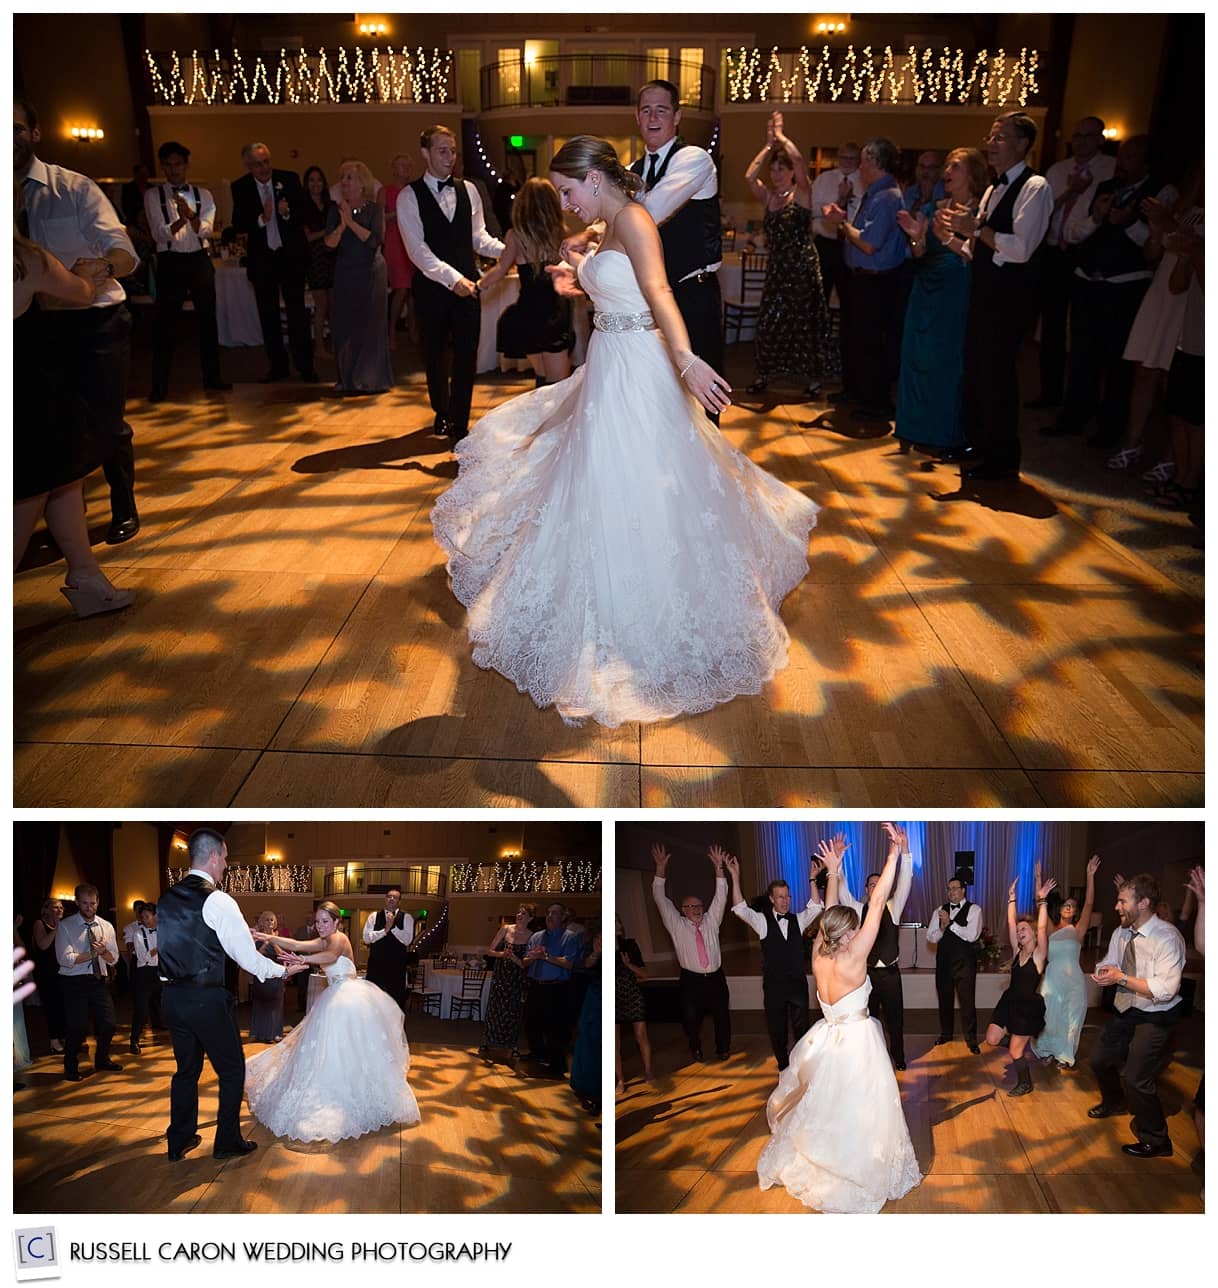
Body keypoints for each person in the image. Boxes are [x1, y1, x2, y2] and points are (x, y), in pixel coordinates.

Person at [431, 135, 817, 727]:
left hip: (637, 364)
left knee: (641, 480)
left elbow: (659, 292)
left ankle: (648, 611)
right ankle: (599, 607)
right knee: (593, 479)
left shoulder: (634, 219)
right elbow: (620, 285)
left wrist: (685, 359)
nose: (566, 203)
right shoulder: (609, 224)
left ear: (594, 178)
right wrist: (580, 275)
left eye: (568, 191)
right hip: (608, 360)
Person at [757, 827, 921, 1213]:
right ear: (847, 934)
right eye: (854, 927)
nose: (859, 929)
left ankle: (827, 1153)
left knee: (830, 1104)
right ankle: (858, 1161)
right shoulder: (854, 956)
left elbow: (830, 911)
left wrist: (833, 871)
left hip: (828, 1039)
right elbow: (878, 902)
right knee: (866, 1106)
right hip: (858, 1041)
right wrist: (894, 853)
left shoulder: (818, 953)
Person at [16, 95, 141, 545]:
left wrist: (100, 267)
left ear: (35, 133)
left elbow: (125, 253)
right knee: (50, 428)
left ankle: (123, 504)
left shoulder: (73, 188)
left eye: (16, 129)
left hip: (94, 321)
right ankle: (65, 531)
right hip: (30, 327)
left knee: (105, 420)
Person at [13, 199, 133, 616]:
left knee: (63, 478)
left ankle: (85, 575)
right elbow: (81, 294)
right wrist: (89, 273)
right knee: (29, 491)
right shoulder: (25, 260)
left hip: (32, 393)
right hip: (26, 395)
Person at [158, 828, 305, 1161]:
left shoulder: (167, 898)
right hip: (204, 999)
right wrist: (283, 972)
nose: (226, 864)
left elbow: (182, 944)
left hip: (172, 999)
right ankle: (226, 1142)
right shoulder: (218, 899)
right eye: (224, 858)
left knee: (186, 1071)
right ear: (213, 857)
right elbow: (248, 960)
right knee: (232, 1070)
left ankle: (179, 1140)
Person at [247, 900, 421, 1141]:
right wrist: (267, 936)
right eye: (318, 921)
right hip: (334, 997)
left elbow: (330, 955)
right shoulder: (324, 939)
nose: (320, 926)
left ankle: (356, 1101)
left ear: (337, 922)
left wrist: (303, 960)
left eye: (325, 921)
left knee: (351, 1052)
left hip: (349, 999)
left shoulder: (339, 939)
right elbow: (296, 943)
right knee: (327, 1052)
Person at [940, 111, 1053, 481]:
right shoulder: (992, 188)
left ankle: (1001, 459)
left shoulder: (1036, 188)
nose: (990, 144)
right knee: (976, 370)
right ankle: (976, 443)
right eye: (990, 136)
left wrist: (975, 227)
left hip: (1009, 297)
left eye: (1000, 137)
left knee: (999, 375)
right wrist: (951, 238)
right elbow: (979, 248)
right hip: (982, 291)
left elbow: (1020, 249)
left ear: (1023, 144)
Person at [1041, 135, 1158, 447]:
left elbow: (1156, 247)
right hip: (1086, 282)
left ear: (1146, 163)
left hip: (1125, 287)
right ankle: (1072, 417)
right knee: (1081, 355)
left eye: (1130, 157)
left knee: (1117, 362)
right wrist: (1096, 217)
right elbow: (1073, 232)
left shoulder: (1160, 193)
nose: (1122, 163)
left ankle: (1109, 429)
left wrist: (1128, 224)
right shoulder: (1104, 187)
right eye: (1122, 156)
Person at [399, 125, 505, 441]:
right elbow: (417, 250)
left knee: (466, 355)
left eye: (453, 151)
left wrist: (508, 251)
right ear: (425, 153)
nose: (450, 157)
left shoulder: (469, 189)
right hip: (431, 289)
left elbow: (478, 237)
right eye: (442, 150)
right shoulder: (409, 196)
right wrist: (452, 278)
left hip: (468, 288)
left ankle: (459, 421)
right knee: (434, 355)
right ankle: (442, 412)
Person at [628, 79, 725, 422]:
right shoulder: (632, 172)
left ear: (677, 116)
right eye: (646, 110)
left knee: (701, 402)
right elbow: (616, 221)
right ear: (637, 117)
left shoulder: (694, 159)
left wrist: (607, 223)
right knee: (657, 398)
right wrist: (591, 234)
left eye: (662, 110)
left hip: (693, 294)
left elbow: (651, 211)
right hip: (649, 299)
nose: (653, 117)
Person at [893, 147, 988, 458]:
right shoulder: (933, 207)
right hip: (925, 286)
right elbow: (920, 252)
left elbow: (976, 254)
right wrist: (916, 236)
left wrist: (950, 237)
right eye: (947, 166)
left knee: (945, 360)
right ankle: (914, 427)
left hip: (955, 289)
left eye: (955, 166)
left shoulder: (978, 213)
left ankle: (944, 432)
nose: (947, 171)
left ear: (972, 173)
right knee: (915, 355)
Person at [1087, 873, 1186, 1157]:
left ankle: (1157, 1139)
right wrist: (1104, 971)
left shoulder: (1167, 937)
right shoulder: (1122, 933)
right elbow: (1111, 961)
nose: (1116, 906)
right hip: (1126, 1008)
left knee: (1135, 1077)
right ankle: (1115, 1102)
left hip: (1155, 1015)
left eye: (1122, 901)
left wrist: (1121, 978)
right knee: (1099, 1061)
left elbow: (1165, 989)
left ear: (1143, 903)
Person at [742, 111, 836, 400]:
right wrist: (768, 146)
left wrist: (782, 138)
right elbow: (749, 176)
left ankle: (814, 379)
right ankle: (764, 374)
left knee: (804, 324)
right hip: (778, 270)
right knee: (769, 323)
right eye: (774, 170)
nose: (777, 174)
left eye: (782, 169)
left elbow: (799, 159)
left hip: (803, 269)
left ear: (792, 172)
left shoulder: (803, 194)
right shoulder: (770, 197)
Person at [1032, 116, 1116, 410]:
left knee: (1084, 330)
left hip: (1089, 252)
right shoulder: (1058, 170)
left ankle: (1082, 400)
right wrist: (1072, 192)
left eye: (1088, 136)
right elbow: (1042, 211)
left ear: (1100, 140)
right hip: (1055, 252)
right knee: (1052, 326)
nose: (1081, 142)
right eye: (1077, 136)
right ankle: (1050, 393)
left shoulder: (1110, 169)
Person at [822, 137, 907, 422]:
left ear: (874, 162)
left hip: (876, 282)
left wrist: (841, 223)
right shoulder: (875, 194)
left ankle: (876, 403)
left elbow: (869, 244)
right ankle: (857, 392)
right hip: (861, 279)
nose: (859, 167)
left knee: (871, 344)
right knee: (856, 339)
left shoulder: (887, 197)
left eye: (863, 161)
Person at [143, 140, 228, 402]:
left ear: (186, 165)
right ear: (163, 167)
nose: (174, 170)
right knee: (166, 324)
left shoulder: (204, 195)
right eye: (168, 165)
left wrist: (190, 216)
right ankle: (159, 386)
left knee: (207, 321)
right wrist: (179, 219)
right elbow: (158, 234)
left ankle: (213, 378)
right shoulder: (153, 196)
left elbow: (206, 230)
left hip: (199, 259)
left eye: (178, 164)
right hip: (170, 261)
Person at [727, 847, 825, 1071]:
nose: (785, 900)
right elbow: (740, 909)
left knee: (802, 1029)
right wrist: (735, 877)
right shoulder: (762, 921)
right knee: (777, 1029)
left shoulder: (798, 919)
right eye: (780, 897)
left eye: (787, 896)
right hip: (774, 987)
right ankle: (783, 1066)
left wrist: (812, 879)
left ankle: (801, 1066)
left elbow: (816, 906)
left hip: (797, 984)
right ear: (772, 899)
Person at [230, 141, 316, 384]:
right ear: (248, 166)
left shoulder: (289, 179)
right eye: (258, 164)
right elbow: (239, 223)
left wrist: (286, 213)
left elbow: (305, 214)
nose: (264, 168)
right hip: (263, 260)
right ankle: (278, 366)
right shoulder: (241, 187)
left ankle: (305, 367)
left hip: (290, 257)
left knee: (297, 314)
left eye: (266, 161)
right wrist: (262, 218)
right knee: (268, 316)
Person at [476, 177, 573, 387]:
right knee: (557, 385)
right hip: (554, 313)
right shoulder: (560, 234)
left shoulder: (515, 236)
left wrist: (477, 286)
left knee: (543, 378)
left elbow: (500, 270)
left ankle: (540, 409)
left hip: (528, 313)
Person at [834, 824, 915, 1070]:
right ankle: (872, 1063)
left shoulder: (893, 907)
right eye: (871, 884)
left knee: (895, 1021)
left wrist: (905, 849)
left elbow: (906, 879)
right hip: (866, 975)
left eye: (880, 883)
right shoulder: (858, 910)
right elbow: (842, 891)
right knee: (868, 1022)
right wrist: (837, 861)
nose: (876, 887)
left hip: (890, 975)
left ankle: (898, 1058)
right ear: (867, 889)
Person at [651, 842, 731, 1062]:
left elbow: (721, 897)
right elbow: (660, 898)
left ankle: (723, 1049)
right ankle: (695, 1046)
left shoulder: (711, 921)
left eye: (699, 906)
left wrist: (718, 868)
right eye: (691, 907)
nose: (696, 910)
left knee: (722, 1015)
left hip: (715, 978)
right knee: (691, 1018)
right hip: (691, 980)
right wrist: (660, 869)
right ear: (683, 910)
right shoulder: (676, 925)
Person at [984, 873, 1057, 1095]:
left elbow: (1043, 928)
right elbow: (1010, 922)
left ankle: (1025, 1083)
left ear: (1033, 933)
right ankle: (1018, 1041)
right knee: (991, 1039)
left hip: (1027, 1008)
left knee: (1015, 1052)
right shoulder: (1017, 952)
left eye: (1023, 929)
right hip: (1009, 1001)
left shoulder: (1039, 955)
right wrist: (1011, 898)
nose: (1019, 932)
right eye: (1018, 930)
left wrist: (1042, 901)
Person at [324, 160, 392, 395]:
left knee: (370, 325)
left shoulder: (375, 210)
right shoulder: (335, 211)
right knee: (344, 325)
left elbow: (374, 241)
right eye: (342, 177)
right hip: (345, 272)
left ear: (362, 183)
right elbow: (329, 244)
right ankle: (346, 379)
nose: (343, 182)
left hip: (371, 272)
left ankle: (370, 379)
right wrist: (342, 225)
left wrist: (351, 223)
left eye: (349, 177)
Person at [1032, 854, 1101, 1067]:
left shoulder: (1078, 930)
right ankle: (1045, 1050)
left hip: (1073, 981)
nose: (1069, 907)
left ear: (1076, 911)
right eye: (1066, 905)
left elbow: (1089, 903)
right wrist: (1038, 879)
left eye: (1073, 906)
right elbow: (1040, 906)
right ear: (1061, 908)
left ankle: (1065, 1055)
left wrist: (1090, 876)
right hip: (1052, 980)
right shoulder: (1051, 929)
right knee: (1050, 1018)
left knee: (1072, 1018)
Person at [55, 883, 121, 1082]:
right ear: (77, 902)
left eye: (92, 903)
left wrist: (103, 952)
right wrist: (93, 953)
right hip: (73, 981)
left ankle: (102, 1059)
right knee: (77, 1028)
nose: (89, 907)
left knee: (109, 1024)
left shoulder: (106, 926)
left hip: (98, 979)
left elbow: (114, 958)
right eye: (84, 903)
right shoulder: (66, 926)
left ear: (98, 902)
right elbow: (64, 959)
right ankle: (70, 1067)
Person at [810, 141, 863, 367]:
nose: (847, 162)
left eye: (852, 159)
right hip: (824, 245)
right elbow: (812, 209)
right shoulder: (824, 179)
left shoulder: (864, 181)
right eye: (843, 158)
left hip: (851, 246)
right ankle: (817, 350)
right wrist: (831, 206)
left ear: (859, 160)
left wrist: (845, 201)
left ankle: (845, 353)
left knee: (849, 302)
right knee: (818, 299)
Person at [522, 901, 583, 1077]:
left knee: (555, 1028)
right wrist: (533, 957)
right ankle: (537, 1055)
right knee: (532, 1023)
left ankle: (557, 1064)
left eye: (554, 913)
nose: (549, 916)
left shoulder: (570, 937)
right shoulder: (536, 937)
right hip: (535, 986)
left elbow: (569, 963)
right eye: (548, 912)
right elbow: (525, 961)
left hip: (556, 989)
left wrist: (546, 956)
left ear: (563, 917)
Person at [927, 873, 982, 1052]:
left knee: (967, 1002)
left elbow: (971, 935)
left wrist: (951, 924)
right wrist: (942, 929)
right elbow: (931, 937)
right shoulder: (939, 910)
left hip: (964, 964)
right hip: (943, 963)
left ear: (963, 890)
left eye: (955, 888)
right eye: (949, 889)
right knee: (944, 1001)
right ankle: (946, 1034)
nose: (951, 892)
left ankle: (971, 1039)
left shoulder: (974, 910)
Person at [480, 903, 534, 1057]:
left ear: (530, 918)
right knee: (495, 1008)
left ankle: (512, 1044)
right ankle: (488, 1041)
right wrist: (502, 954)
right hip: (501, 975)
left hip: (516, 978)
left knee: (513, 1010)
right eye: (518, 912)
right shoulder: (506, 929)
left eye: (523, 913)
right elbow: (490, 951)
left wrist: (515, 958)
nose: (519, 915)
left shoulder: (532, 936)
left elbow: (526, 963)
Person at [300, 165, 336, 362]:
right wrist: (327, 231)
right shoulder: (303, 207)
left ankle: (336, 344)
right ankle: (319, 348)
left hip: (332, 257)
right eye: (312, 180)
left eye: (319, 180)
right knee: (321, 306)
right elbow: (307, 237)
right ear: (307, 184)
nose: (316, 184)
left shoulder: (331, 205)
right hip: (314, 259)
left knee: (334, 305)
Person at [615, 914, 652, 1093]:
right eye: (614, 921)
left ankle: (649, 1071)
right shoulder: (600, 947)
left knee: (641, 1036)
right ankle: (620, 1080)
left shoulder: (630, 945)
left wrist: (629, 965)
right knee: (614, 1043)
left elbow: (645, 974)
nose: (618, 925)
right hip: (611, 997)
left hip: (631, 994)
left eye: (618, 921)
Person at [382, 153, 416, 352]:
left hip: (411, 242)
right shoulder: (385, 191)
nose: (405, 169)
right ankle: (391, 331)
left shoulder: (413, 191)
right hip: (394, 243)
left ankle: (413, 330)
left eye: (408, 166)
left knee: (413, 291)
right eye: (401, 165)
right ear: (394, 169)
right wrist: (397, 214)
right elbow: (378, 218)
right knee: (401, 288)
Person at [362, 884, 413, 1015]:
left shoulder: (407, 917)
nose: (391, 899)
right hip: (376, 965)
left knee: (396, 1001)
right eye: (389, 896)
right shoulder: (373, 916)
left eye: (395, 897)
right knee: (373, 1000)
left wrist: (393, 927)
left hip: (397, 967)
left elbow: (407, 940)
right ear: (385, 899)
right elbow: (366, 938)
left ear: (399, 901)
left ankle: (395, 1026)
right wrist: (384, 931)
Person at [569, 928, 602, 1112]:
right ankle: (588, 1089)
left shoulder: (623, 946)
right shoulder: (596, 943)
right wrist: (596, 953)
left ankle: (599, 1095)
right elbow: (587, 964)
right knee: (589, 1040)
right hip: (595, 997)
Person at [29, 899, 66, 1053]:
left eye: (61, 907)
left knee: (63, 1005)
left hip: (61, 971)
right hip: (45, 972)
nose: (60, 909)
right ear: (46, 910)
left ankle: (64, 1036)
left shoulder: (62, 926)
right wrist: (57, 928)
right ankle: (54, 1041)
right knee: (52, 1006)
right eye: (55, 907)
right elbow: (43, 945)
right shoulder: (39, 924)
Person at [128, 900, 162, 1053]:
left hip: (161, 972)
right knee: (141, 1010)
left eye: (147, 916)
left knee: (171, 1006)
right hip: (145, 974)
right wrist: (160, 947)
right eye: (143, 917)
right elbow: (143, 957)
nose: (144, 920)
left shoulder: (164, 930)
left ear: (155, 915)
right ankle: (134, 1040)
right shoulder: (138, 933)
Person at [248, 911, 286, 1042]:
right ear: (262, 922)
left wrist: (273, 941)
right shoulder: (257, 937)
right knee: (261, 1004)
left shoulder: (278, 937)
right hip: (262, 974)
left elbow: (282, 955)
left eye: (272, 920)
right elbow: (255, 956)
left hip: (275, 974)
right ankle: (259, 1033)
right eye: (267, 920)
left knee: (275, 1004)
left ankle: (274, 1033)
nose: (270, 922)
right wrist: (265, 942)